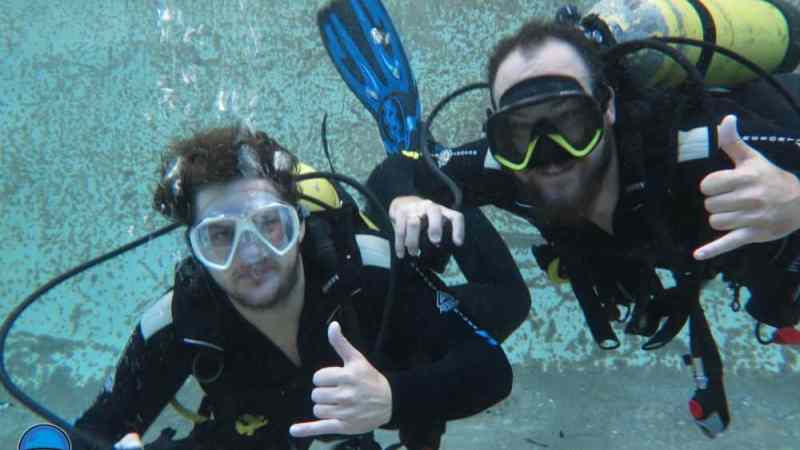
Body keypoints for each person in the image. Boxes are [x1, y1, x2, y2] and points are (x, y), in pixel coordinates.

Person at [367, 18, 800, 435]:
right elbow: (398, 169)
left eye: (570, 120)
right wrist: (407, 200)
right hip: (647, 250)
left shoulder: (704, 145)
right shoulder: (499, 167)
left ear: (607, 108)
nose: (549, 155)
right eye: (520, 132)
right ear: (497, 134)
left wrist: (794, 199)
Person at [71, 126, 512, 450]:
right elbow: (81, 433)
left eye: (269, 225)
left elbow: (490, 367)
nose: (251, 255)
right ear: (196, 252)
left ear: (299, 227)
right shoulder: (179, 322)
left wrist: (393, 399)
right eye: (221, 236)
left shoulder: (365, 268)